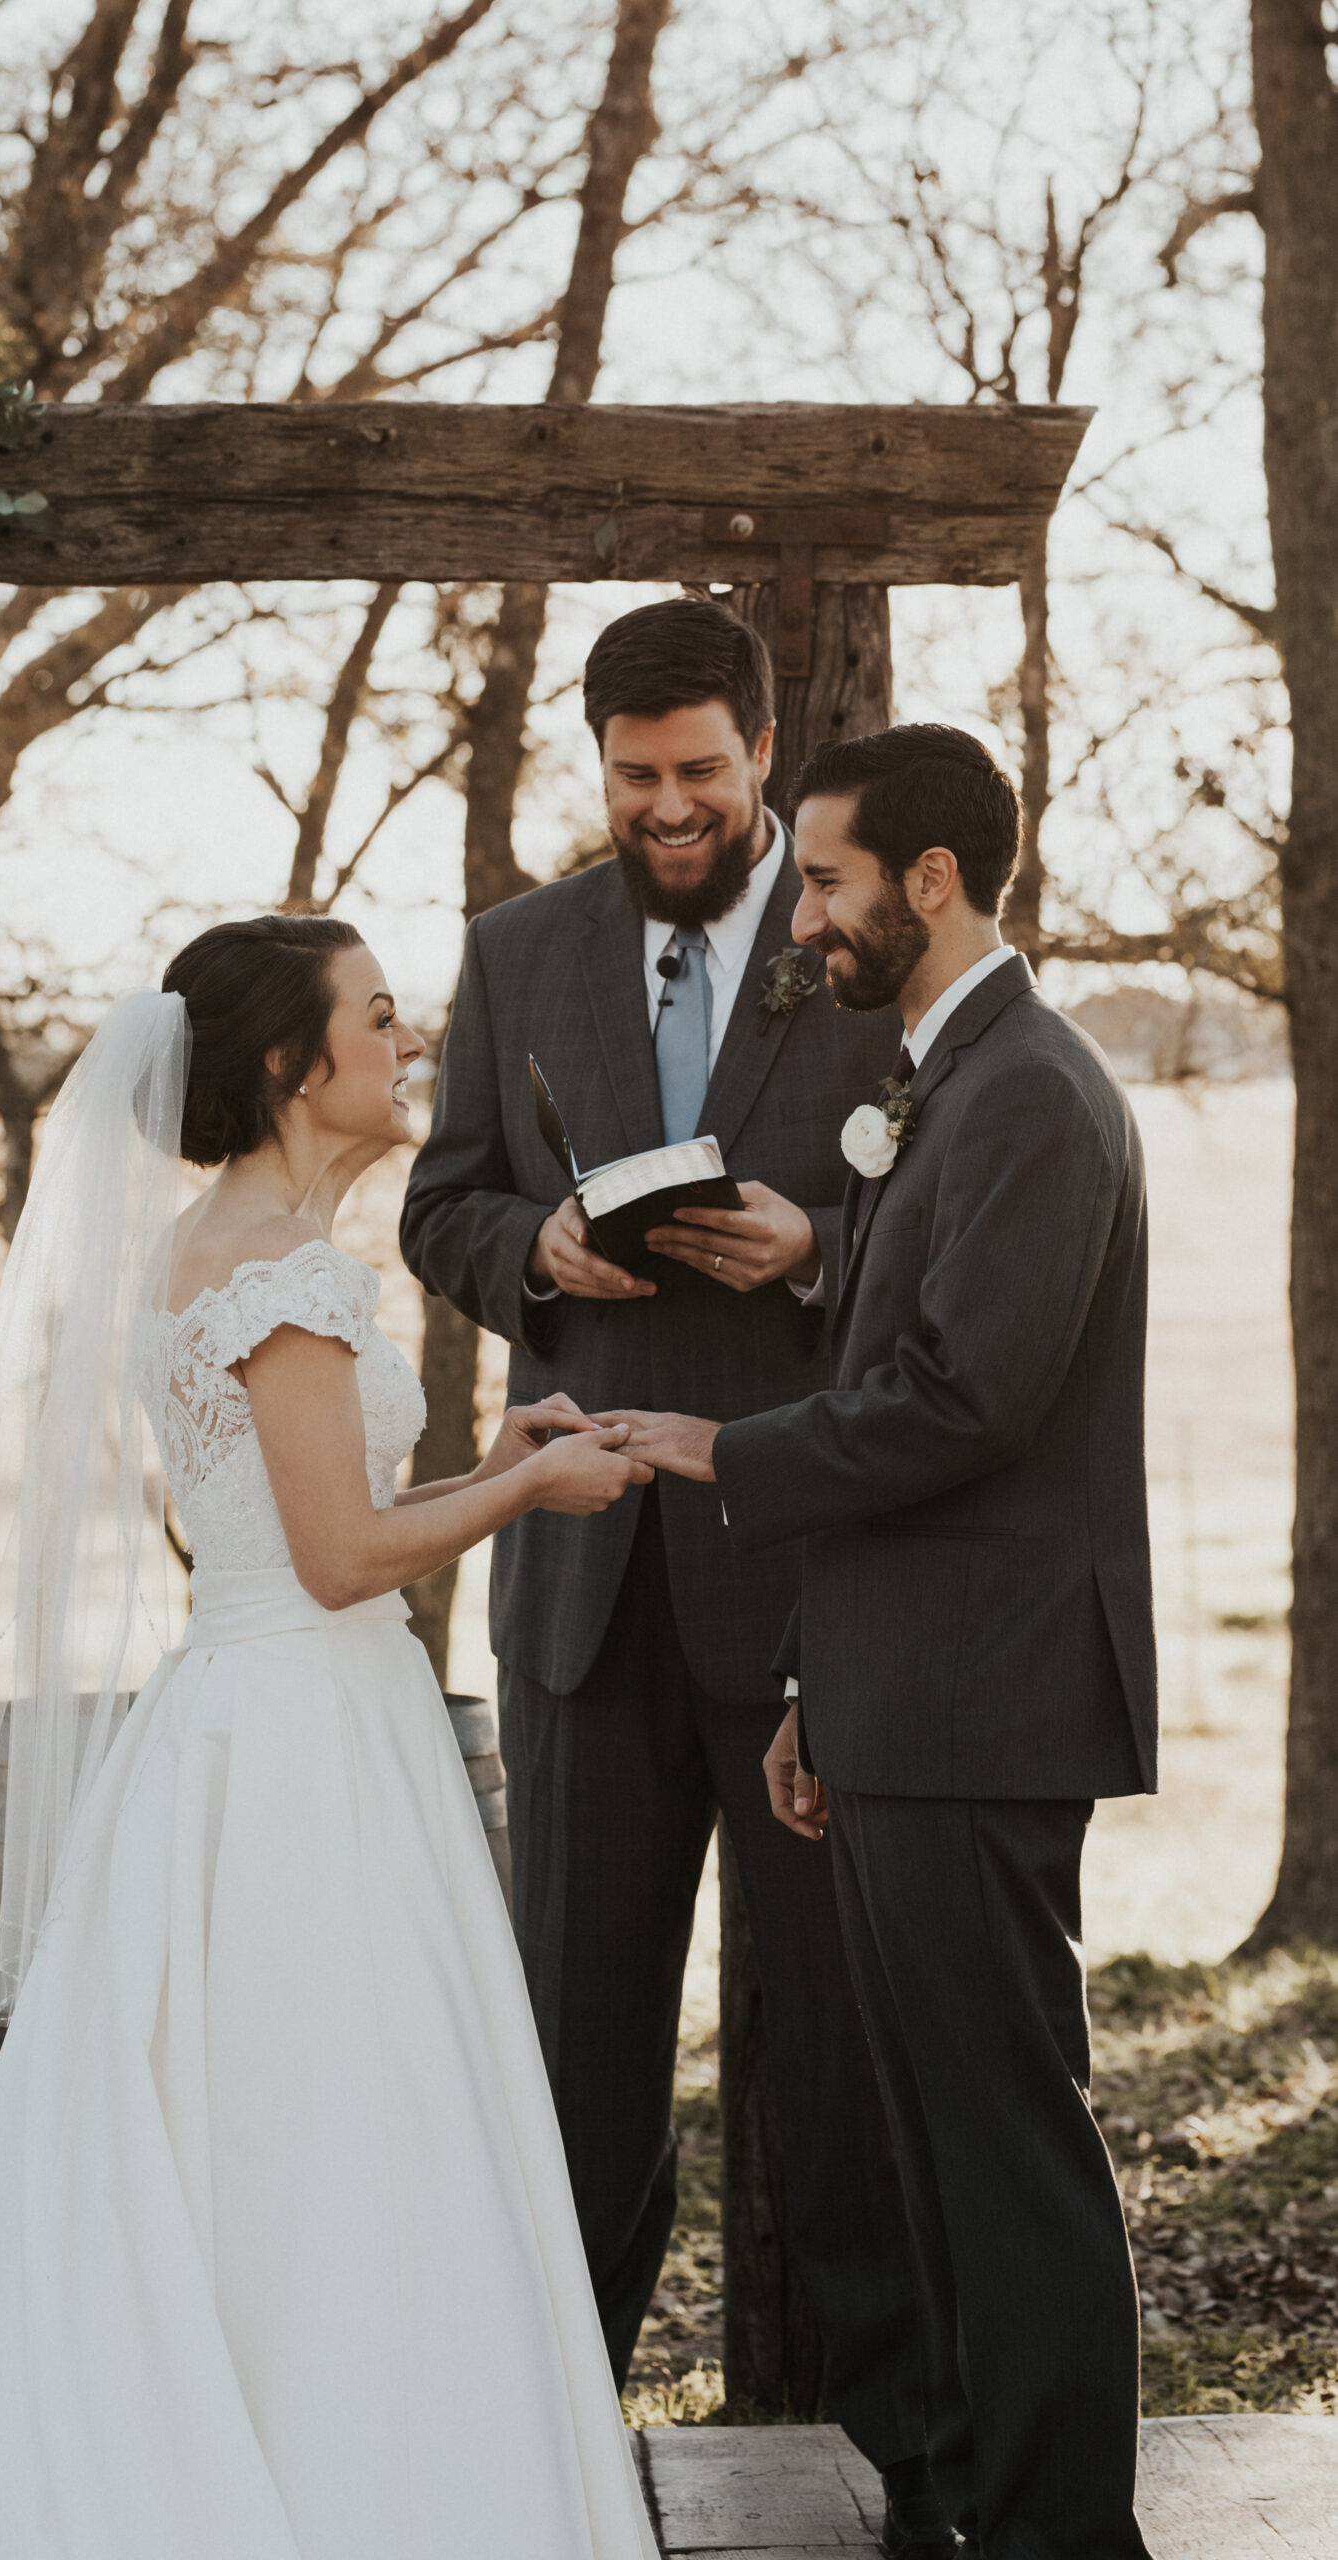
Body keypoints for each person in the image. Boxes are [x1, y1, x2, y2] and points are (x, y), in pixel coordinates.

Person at [0, 915, 659, 2560]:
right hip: (303, 1747)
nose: (409, 1045)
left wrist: (489, 1454)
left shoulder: (231, 1248)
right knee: (333, 2137)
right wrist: (529, 1490)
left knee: (281, 2132)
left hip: (275, 1705)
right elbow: (342, 1563)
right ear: (290, 1062)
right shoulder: (280, 1270)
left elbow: (302, 1528)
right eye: (380, 1019)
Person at [401, 598, 941, 2550]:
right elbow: (439, 1203)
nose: (668, 808)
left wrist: (810, 1247)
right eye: (632, 779)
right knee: (573, 2068)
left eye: (700, 773)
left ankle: (914, 2476)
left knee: (841, 2070)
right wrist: (538, 1256)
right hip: (583, 1598)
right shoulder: (513, 949)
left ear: (761, 754)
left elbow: (939, 1237)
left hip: (809, 1596)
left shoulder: (861, 945)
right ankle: (535, 2466)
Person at [610, 725, 1158, 2560]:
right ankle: (993, 2509)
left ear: (933, 882)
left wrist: (711, 1445)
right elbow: (906, 1334)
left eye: (832, 881)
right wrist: (809, 1688)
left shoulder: (1029, 1092)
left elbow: (959, 1404)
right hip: (903, 1690)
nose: (810, 919)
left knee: (1006, 2144)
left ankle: (1068, 2534)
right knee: (940, 2143)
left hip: (990, 1699)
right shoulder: (949, 1076)